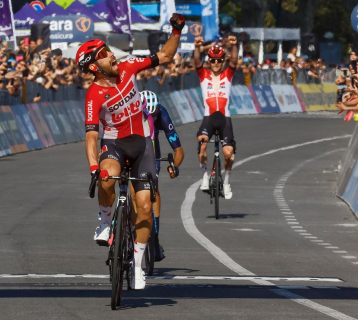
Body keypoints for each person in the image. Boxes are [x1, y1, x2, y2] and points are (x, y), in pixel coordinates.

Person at [79, 13, 185, 290]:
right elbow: (91, 137)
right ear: (93, 67)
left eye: (108, 50)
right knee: (106, 176)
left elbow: (164, 56)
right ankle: (104, 221)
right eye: (103, 54)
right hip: (113, 144)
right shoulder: (94, 96)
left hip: (141, 145)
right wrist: (93, 167)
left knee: (146, 206)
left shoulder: (128, 67)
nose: (111, 55)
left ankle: (138, 266)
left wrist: (176, 31)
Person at [140, 90, 184, 262]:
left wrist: (174, 167)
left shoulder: (162, 114)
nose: (151, 118)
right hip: (135, 147)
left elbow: (179, 151)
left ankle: (155, 240)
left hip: (153, 151)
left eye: (154, 115)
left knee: (153, 188)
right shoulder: (133, 112)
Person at [194, 35, 238, 200]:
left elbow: (233, 61)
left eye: (219, 60)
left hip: (225, 119)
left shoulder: (227, 74)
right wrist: (197, 47)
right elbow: (197, 61)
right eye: (212, 60)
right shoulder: (203, 75)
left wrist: (234, 45)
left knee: (228, 154)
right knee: (202, 143)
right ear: (209, 61)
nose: (216, 63)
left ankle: (226, 182)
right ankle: (205, 176)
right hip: (209, 118)